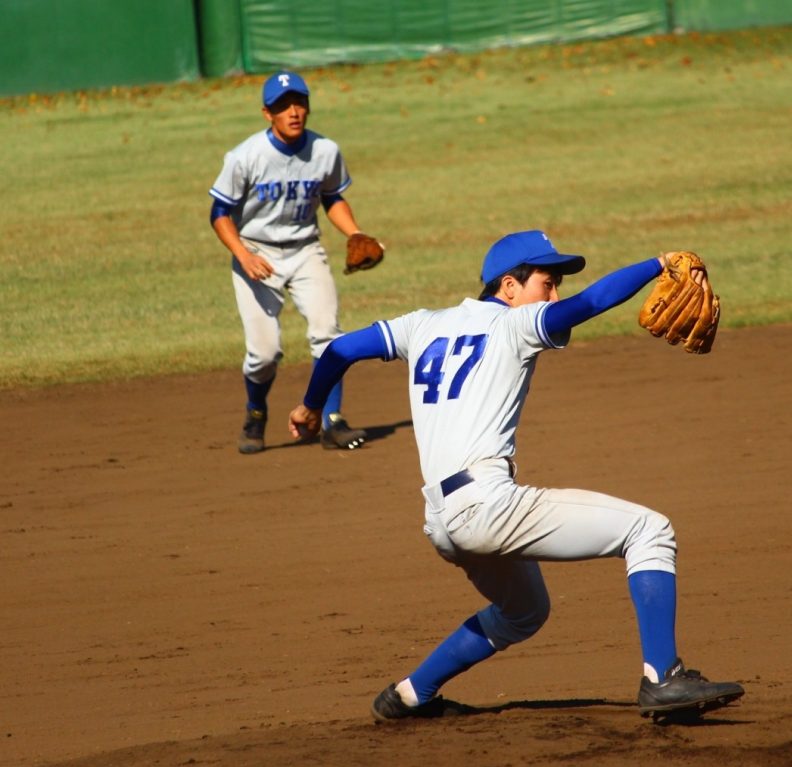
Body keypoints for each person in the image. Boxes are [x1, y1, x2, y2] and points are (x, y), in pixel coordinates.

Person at [288, 230, 744, 721]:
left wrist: (311, 408)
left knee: (525, 612)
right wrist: (657, 263)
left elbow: (337, 352)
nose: (554, 295)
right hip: (486, 505)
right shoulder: (515, 326)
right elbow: (590, 303)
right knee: (649, 529)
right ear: (508, 286)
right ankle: (664, 678)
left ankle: (409, 695)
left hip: (441, 521)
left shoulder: (420, 326)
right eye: (548, 283)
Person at [209, 70, 380, 454]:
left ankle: (332, 421)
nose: (293, 111)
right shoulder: (245, 156)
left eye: (299, 103)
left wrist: (353, 232)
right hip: (256, 251)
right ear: (267, 113)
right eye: (283, 106)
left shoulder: (324, 151)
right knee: (264, 353)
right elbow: (219, 213)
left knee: (329, 336)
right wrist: (243, 255)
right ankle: (255, 412)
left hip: (305, 250)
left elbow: (332, 198)